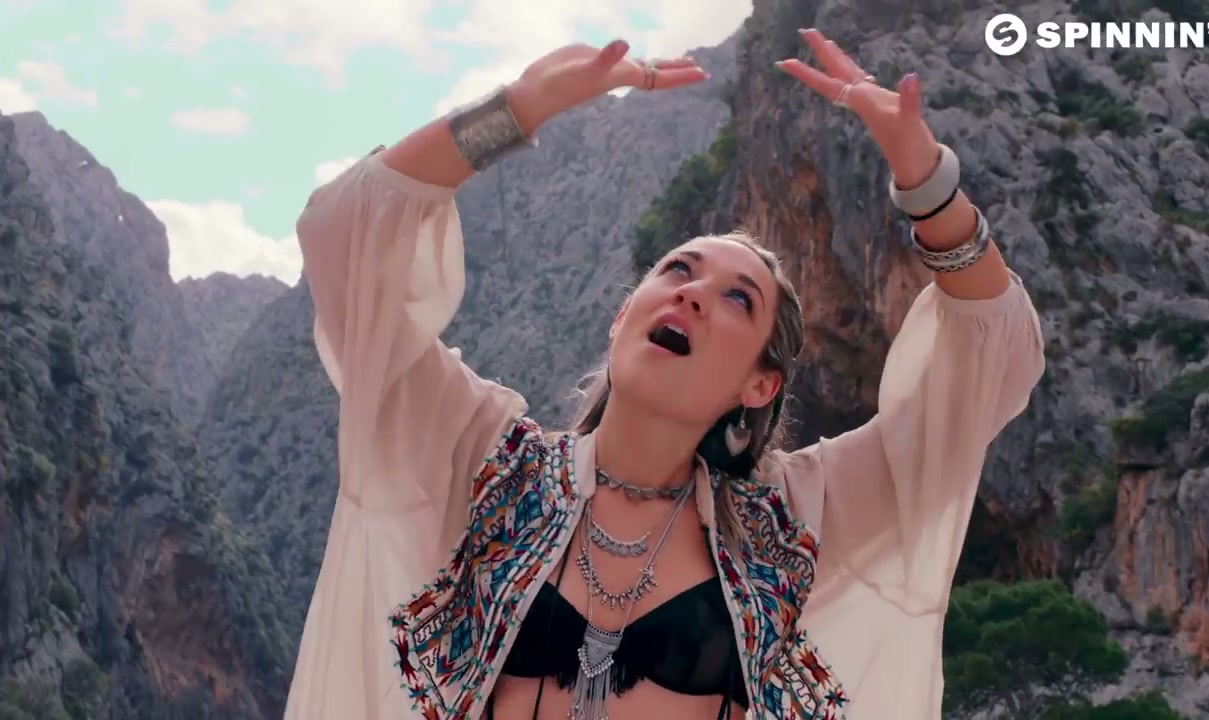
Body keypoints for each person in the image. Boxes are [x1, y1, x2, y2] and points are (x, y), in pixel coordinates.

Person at [283, 28, 1045, 720]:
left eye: (737, 299)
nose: (693, 293)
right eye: (678, 269)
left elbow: (990, 368)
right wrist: (515, 110)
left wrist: (930, 189)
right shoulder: (487, 462)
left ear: (760, 386)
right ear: (623, 317)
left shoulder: (795, 521)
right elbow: (344, 239)